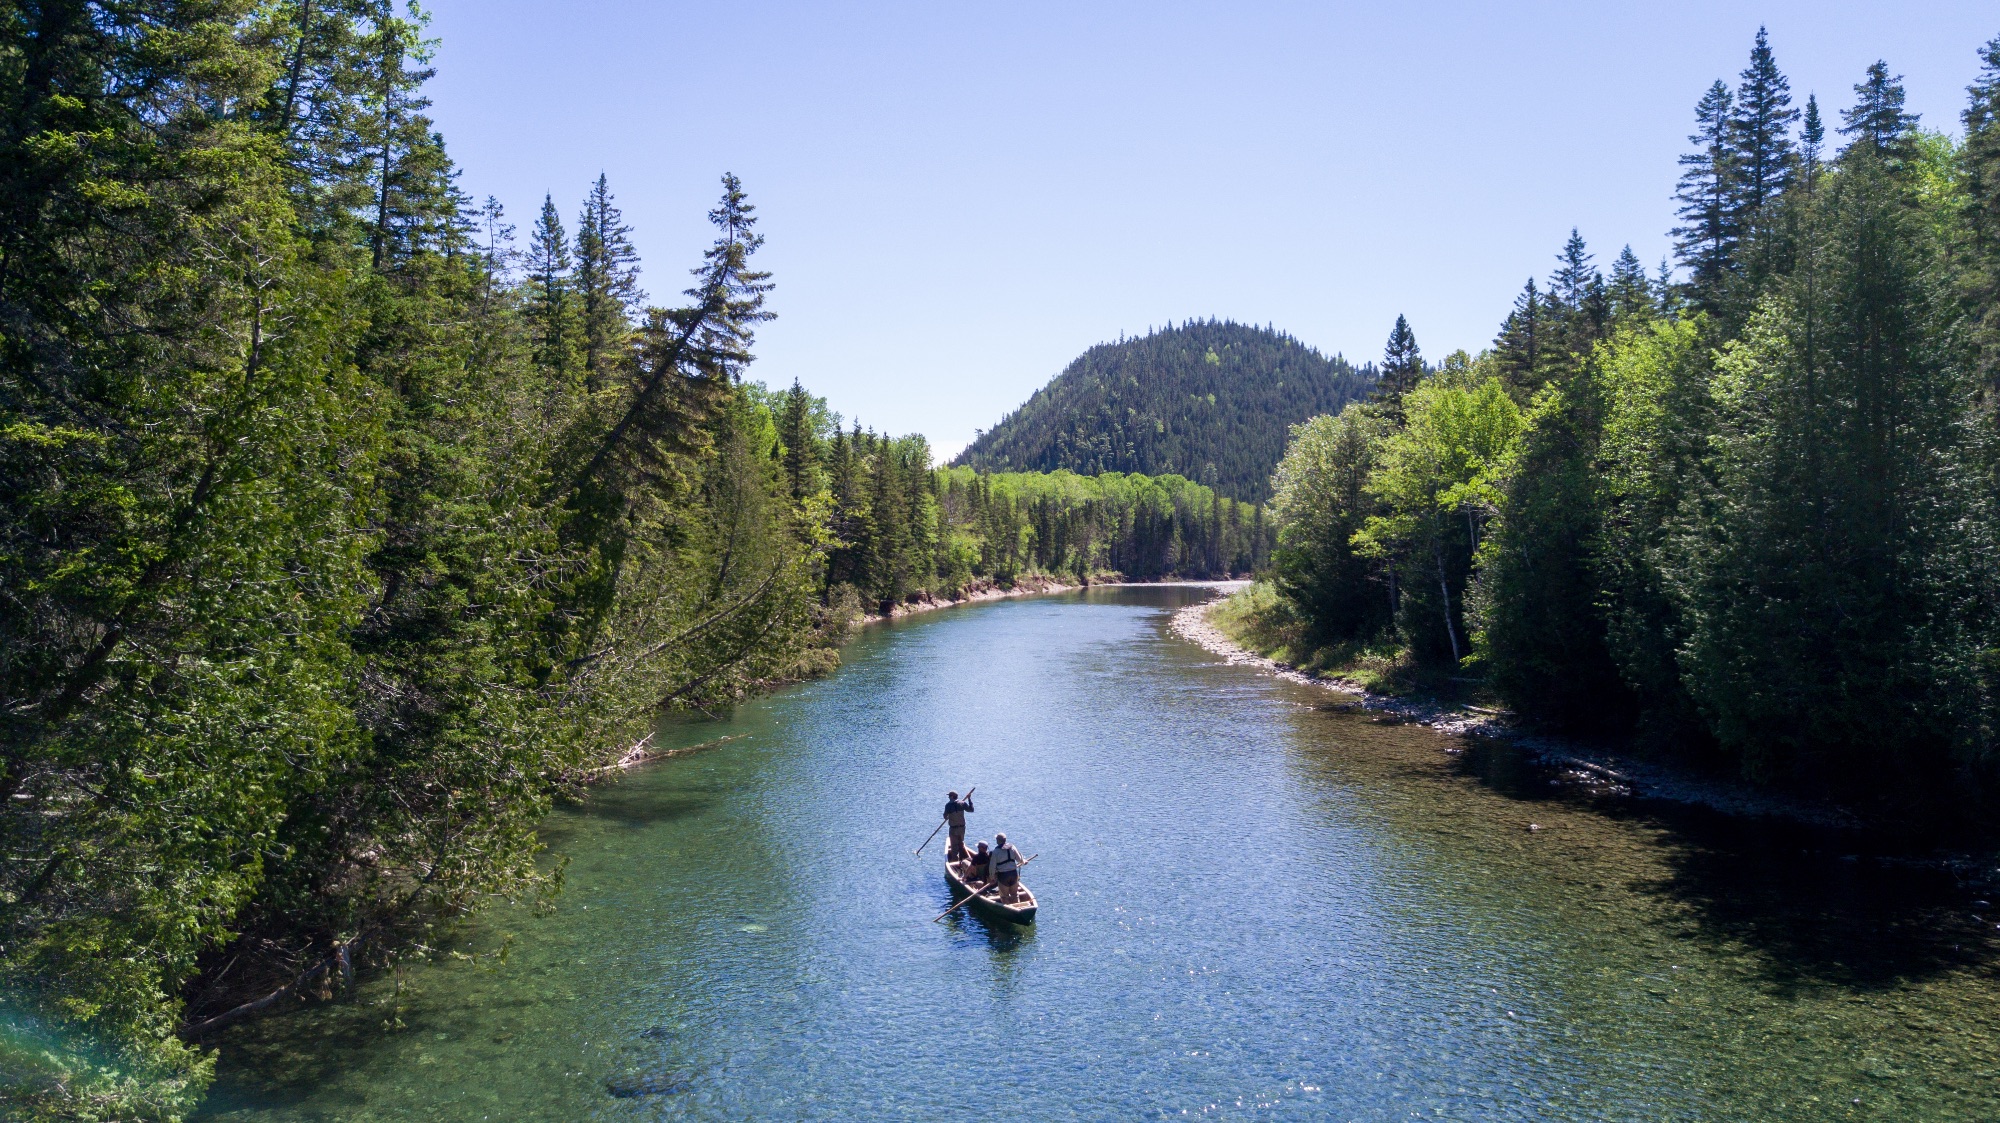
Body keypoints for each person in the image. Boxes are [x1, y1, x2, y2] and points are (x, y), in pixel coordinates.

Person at [991, 832, 1026, 903]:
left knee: (1004, 896)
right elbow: (1020, 860)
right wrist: (1024, 861)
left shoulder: (995, 851)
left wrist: (992, 877)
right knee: (1014, 895)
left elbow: (992, 867)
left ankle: (1009, 910)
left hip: (1003, 876)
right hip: (1014, 874)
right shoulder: (1012, 847)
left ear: (998, 840)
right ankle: (1018, 908)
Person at [942, 790, 975, 860]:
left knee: (954, 848)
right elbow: (971, 810)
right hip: (962, 829)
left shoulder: (948, 805)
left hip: (953, 829)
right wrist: (969, 799)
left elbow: (945, 817)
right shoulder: (962, 803)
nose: (948, 797)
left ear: (952, 797)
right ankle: (962, 861)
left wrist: (948, 816)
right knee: (961, 845)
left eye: (949, 796)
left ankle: (956, 863)